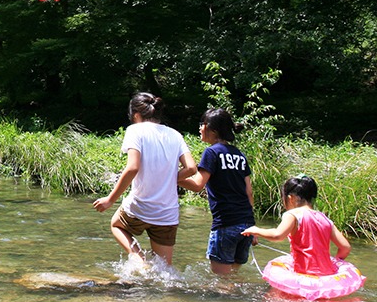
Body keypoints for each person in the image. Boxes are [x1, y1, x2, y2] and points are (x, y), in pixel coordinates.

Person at [93, 92, 198, 266]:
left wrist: (110, 200)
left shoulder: (135, 130)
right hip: (167, 214)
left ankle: (138, 258)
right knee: (164, 268)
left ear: (135, 115)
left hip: (140, 208)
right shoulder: (175, 135)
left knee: (117, 225)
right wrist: (170, 178)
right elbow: (192, 168)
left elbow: (133, 167)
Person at [178, 108, 256, 275]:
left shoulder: (211, 152)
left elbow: (198, 184)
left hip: (226, 224)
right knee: (233, 276)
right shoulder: (239, 155)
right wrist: (253, 228)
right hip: (247, 225)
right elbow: (249, 192)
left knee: (222, 283)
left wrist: (171, 178)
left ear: (212, 129)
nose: (199, 128)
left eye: (202, 124)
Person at [242, 175, 352, 276]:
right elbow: (345, 248)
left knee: (270, 296)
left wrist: (256, 230)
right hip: (326, 275)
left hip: (304, 273)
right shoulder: (325, 218)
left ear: (291, 198)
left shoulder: (293, 215)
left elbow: (278, 235)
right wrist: (335, 262)